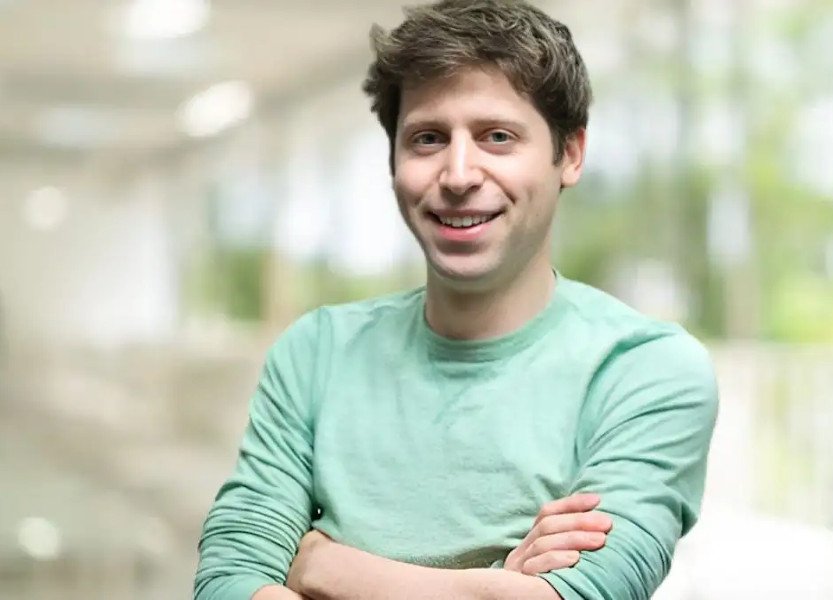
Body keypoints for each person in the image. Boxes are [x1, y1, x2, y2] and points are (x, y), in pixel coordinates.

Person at [194, 1, 719, 598]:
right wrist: (494, 586)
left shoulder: (644, 369)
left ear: (570, 154)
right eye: (428, 139)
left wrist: (320, 565)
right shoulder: (317, 353)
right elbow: (228, 580)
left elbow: (586, 593)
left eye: (497, 137)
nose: (459, 174)